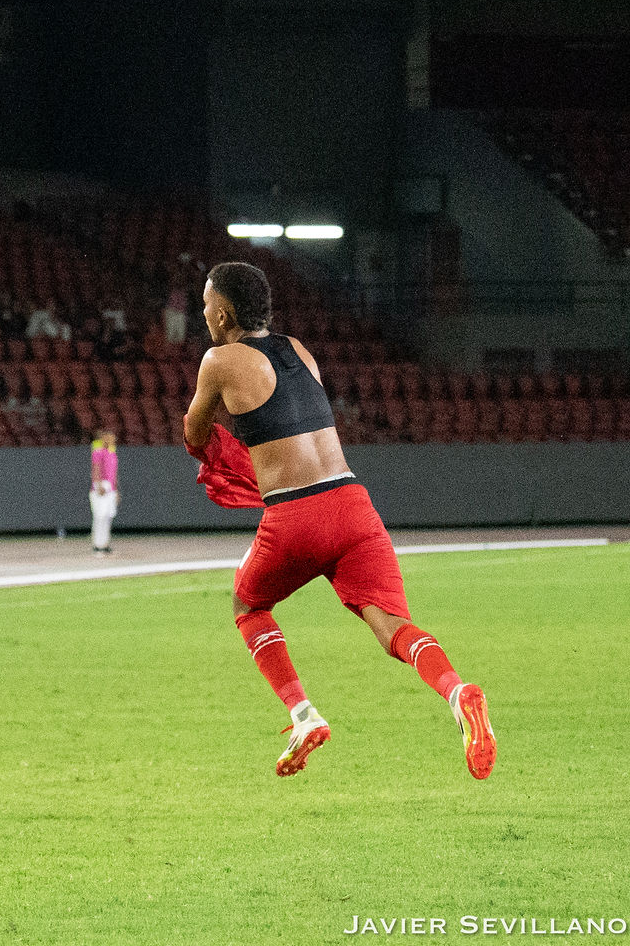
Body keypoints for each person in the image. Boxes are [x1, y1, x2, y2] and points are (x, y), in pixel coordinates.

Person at [183, 262, 496, 780]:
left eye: (204, 304)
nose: (203, 313)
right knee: (392, 626)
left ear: (223, 310)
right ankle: (458, 691)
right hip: (353, 506)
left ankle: (303, 715)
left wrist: (213, 444)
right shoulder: (300, 349)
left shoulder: (218, 359)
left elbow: (196, 429)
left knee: (247, 603)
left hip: (296, 515)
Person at [89, 430, 119, 554]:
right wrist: (98, 484)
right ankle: (97, 544)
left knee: (108, 516)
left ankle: (105, 543)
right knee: (99, 516)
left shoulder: (112, 454)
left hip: (110, 488)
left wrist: (116, 491)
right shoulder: (97, 452)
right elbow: (96, 468)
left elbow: (114, 474)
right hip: (100, 486)